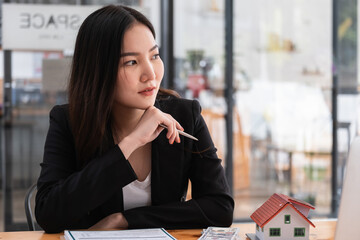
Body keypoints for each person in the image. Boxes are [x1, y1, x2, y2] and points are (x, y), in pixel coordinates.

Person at [35, 5, 234, 233]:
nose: (151, 74)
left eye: (154, 56)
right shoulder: (68, 121)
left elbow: (220, 208)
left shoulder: (184, 116)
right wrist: (130, 143)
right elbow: (48, 214)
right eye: (131, 62)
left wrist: (126, 220)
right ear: (97, 70)